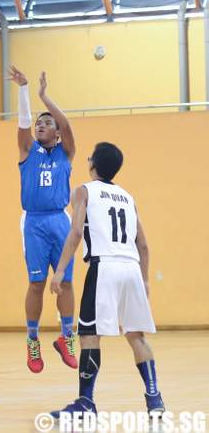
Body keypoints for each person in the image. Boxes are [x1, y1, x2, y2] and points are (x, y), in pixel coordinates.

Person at [50, 142, 165, 417]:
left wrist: (59, 271)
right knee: (136, 336)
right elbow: (144, 244)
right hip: (132, 268)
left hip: (104, 267)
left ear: (93, 165)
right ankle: (155, 399)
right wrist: (145, 280)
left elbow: (76, 233)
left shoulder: (83, 191)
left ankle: (86, 403)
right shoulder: (128, 196)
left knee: (89, 336)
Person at [9, 66, 77, 373]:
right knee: (36, 282)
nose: (41, 125)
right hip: (34, 222)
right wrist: (24, 91)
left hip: (60, 220)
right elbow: (24, 125)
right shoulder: (28, 152)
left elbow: (66, 123)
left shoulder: (66, 152)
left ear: (58, 133)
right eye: (39, 122)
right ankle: (33, 341)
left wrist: (44, 97)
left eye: (47, 123)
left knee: (66, 282)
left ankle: (66, 337)